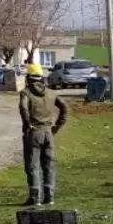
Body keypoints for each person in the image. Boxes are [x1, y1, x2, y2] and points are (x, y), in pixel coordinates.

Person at [20, 62, 68, 206]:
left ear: (28, 78)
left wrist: (27, 123)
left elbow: (23, 107)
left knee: (33, 166)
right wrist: (57, 126)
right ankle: (50, 197)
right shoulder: (51, 93)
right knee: (49, 165)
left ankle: (35, 198)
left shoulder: (26, 92)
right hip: (48, 133)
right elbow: (65, 107)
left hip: (34, 132)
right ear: (41, 78)